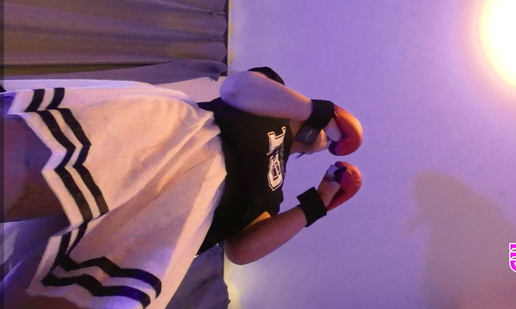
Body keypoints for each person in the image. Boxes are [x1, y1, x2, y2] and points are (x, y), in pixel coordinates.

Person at [2, 67, 363, 309]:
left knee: (68, 293)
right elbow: (236, 88)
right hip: (170, 139)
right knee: (35, 170)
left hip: (174, 219)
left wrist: (319, 203)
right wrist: (319, 111)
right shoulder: (275, 104)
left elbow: (241, 250)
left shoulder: (273, 193)